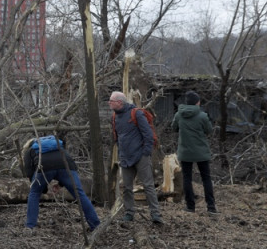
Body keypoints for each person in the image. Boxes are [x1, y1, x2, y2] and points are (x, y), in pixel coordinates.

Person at [23, 137, 101, 232]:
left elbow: (29, 173)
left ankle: (30, 226)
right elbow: (68, 163)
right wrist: (61, 183)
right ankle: (96, 225)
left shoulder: (29, 150)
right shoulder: (57, 146)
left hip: (44, 166)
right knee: (80, 194)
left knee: (34, 193)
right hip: (66, 165)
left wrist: (43, 189)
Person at [109, 91, 163, 224]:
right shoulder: (115, 116)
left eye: (111, 101)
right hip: (125, 158)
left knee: (148, 186)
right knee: (127, 187)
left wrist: (145, 153)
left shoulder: (136, 113)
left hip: (140, 156)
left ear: (120, 102)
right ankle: (129, 213)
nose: (109, 103)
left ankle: (156, 214)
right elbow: (117, 137)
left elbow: (148, 135)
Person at [171, 90, 219, 215]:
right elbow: (209, 130)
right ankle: (211, 207)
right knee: (206, 178)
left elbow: (173, 128)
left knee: (187, 178)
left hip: (185, 151)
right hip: (201, 151)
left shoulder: (178, 115)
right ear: (197, 102)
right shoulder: (202, 116)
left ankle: (190, 207)